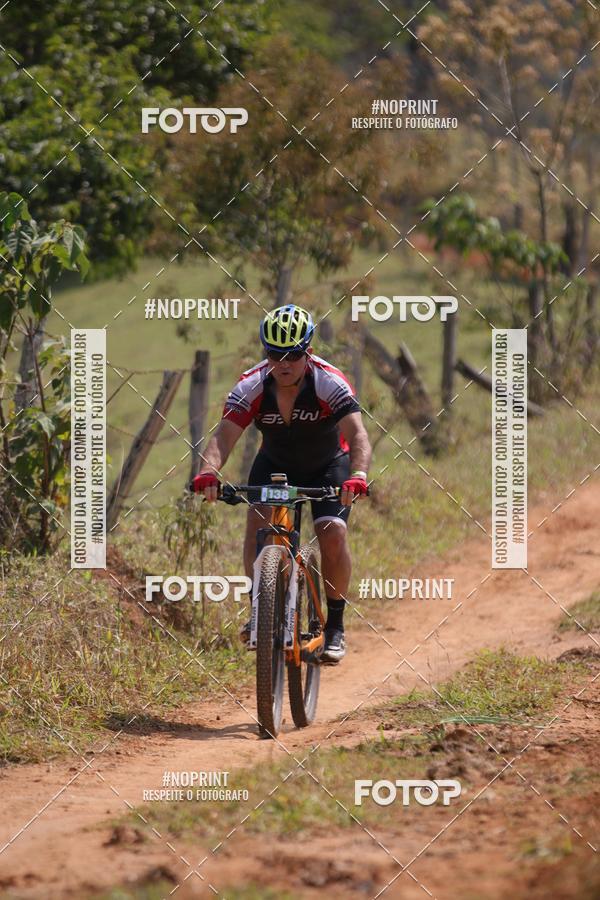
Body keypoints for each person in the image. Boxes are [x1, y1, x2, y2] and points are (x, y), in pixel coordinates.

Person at [191, 304, 371, 664]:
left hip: (328, 467)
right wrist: (208, 472)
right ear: (266, 353)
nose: (284, 363)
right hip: (275, 466)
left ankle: (335, 626)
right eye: (275, 355)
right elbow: (223, 437)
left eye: (293, 355)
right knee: (256, 524)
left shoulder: (329, 382)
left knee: (332, 532)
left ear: (309, 352)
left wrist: (358, 476)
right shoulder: (251, 385)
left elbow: (358, 435)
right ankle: (260, 610)